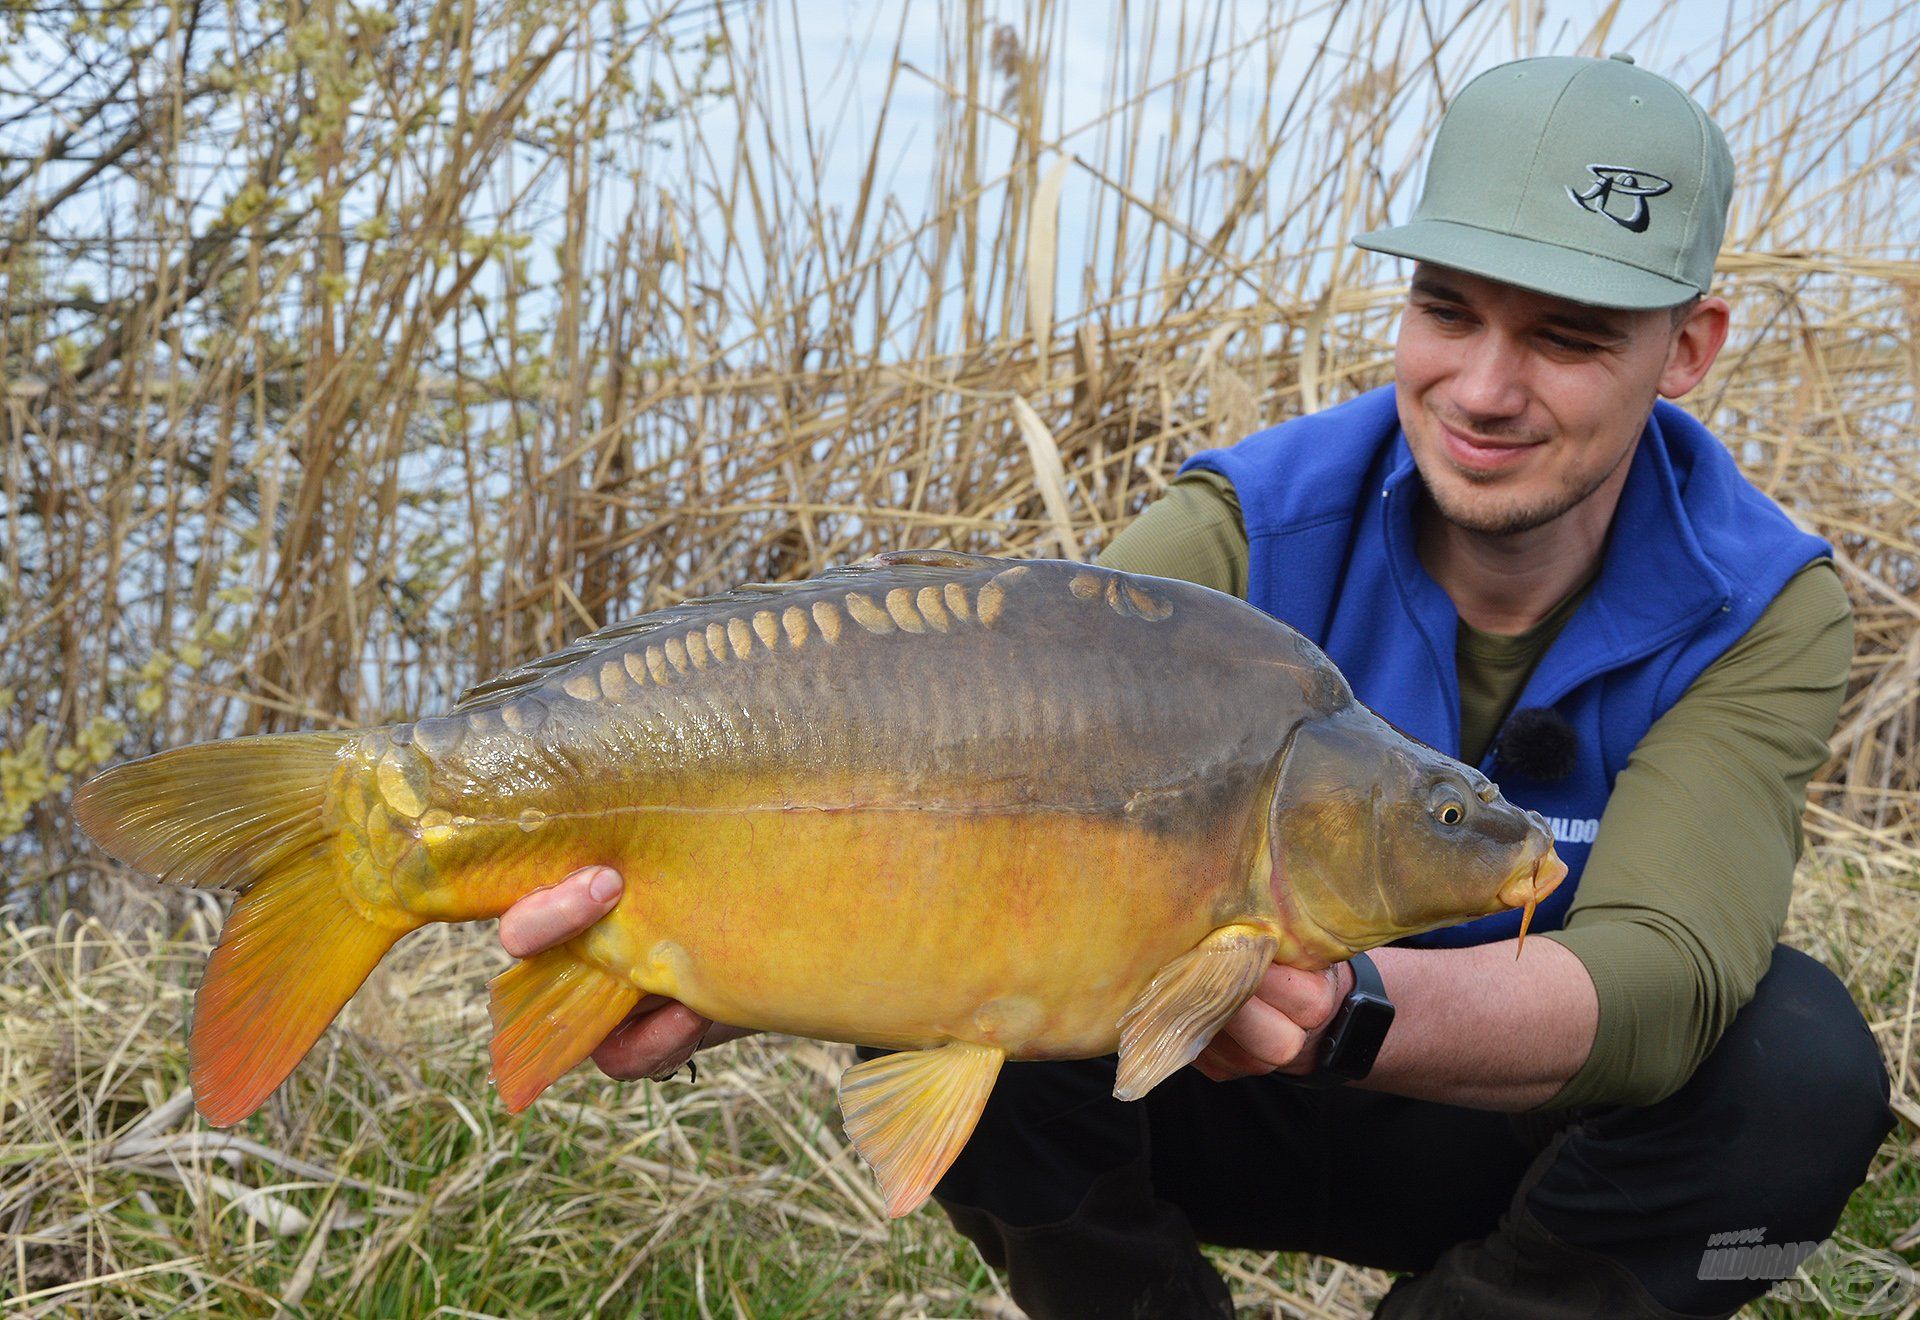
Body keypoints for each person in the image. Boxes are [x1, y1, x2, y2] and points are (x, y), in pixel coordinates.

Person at [495, 54, 1894, 1317]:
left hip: (1515, 1133)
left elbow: (1665, 986)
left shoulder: (1762, 599)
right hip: (1195, 1094)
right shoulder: (1237, 535)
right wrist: (719, 968)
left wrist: (1347, 1016)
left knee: (1802, 1089)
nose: (1481, 386)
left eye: (1569, 338)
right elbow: (952, 821)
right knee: (997, 962)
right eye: (1445, 310)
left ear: (1690, 347)